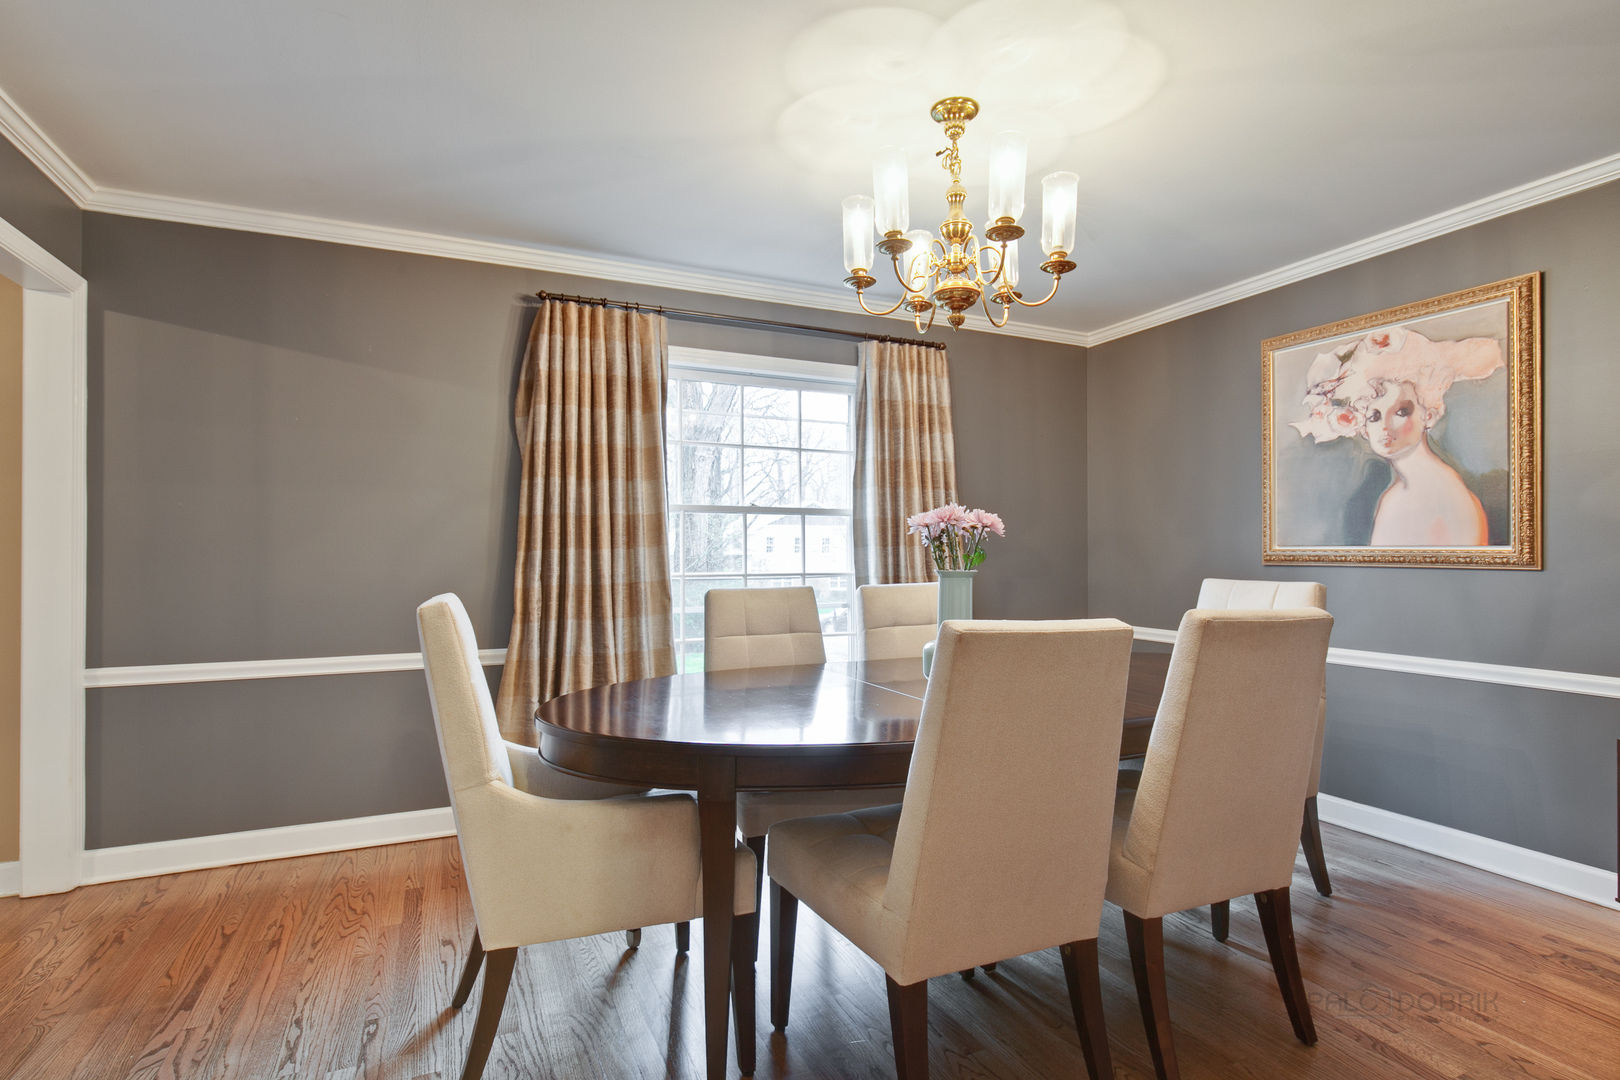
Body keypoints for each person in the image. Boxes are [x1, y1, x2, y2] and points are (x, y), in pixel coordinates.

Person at [1291, 326, 1504, 547]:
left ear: (1429, 417)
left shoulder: (1447, 494)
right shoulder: (1394, 496)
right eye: (1374, 416)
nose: (1385, 426)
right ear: (1364, 429)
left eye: (1401, 412)